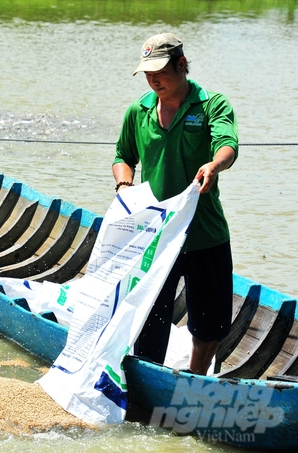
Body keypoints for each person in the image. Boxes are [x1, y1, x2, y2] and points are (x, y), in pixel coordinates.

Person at [112, 32, 238, 375]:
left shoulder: (212, 105)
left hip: (204, 233)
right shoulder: (138, 111)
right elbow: (123, 156)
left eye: (160, 73)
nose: (154, 81)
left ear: (181, 65)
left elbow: (228, 144)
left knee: (210, 324)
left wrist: (214, 165)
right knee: (149, 317)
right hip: (155, 234)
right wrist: (124, 184)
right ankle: (149, 378)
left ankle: (195, 379)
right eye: (148, 75)